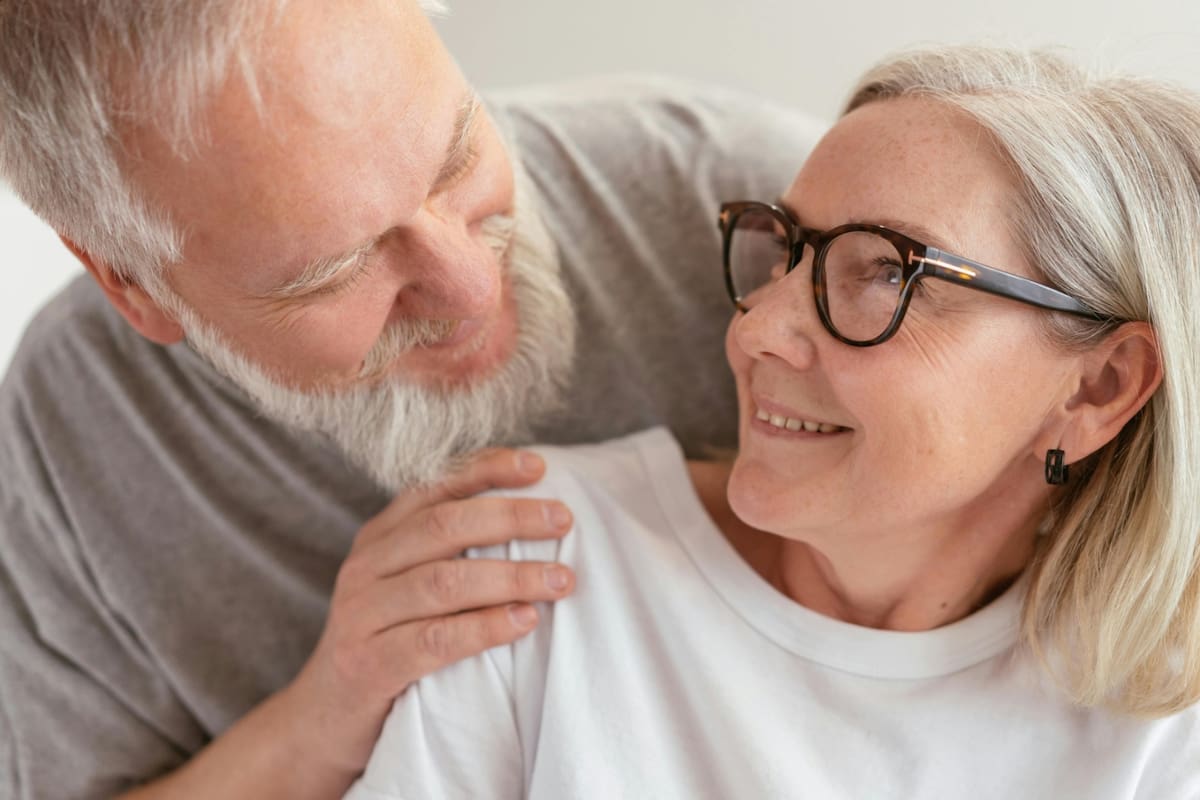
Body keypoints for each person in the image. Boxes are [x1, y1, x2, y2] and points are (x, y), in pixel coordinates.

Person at [0, 1, 824, 798]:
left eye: (457, 158)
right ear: (133, 283)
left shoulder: (749, 215)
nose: (469, 289)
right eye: (338, 268)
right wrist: (318, 724)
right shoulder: (69, 435)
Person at [345, 46, 1200, 799]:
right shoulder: (539, 556)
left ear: (1099, 388)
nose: (754, 331)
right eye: (788, 250)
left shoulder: (1159, 726)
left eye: (885, 275)